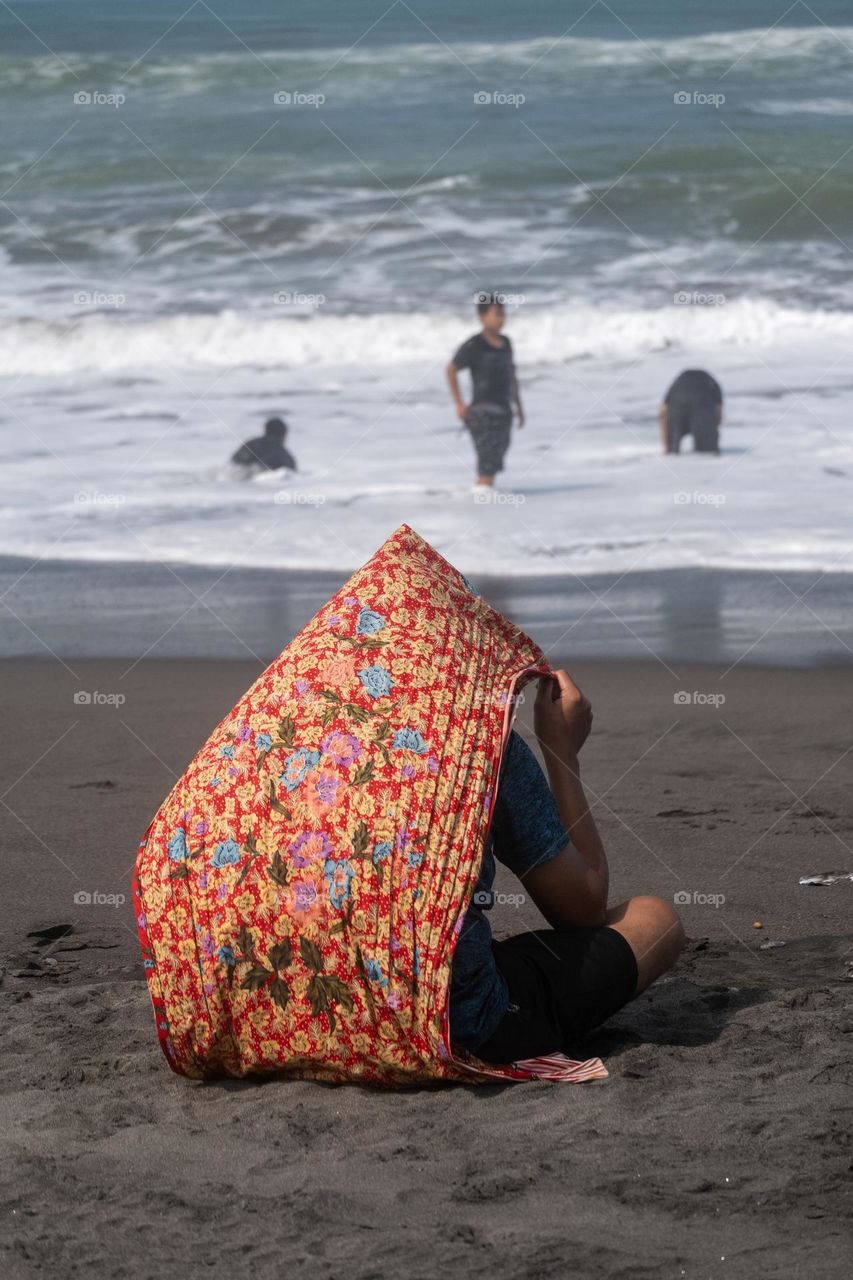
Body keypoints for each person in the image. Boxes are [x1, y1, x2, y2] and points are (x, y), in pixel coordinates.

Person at [450, 669, 685, 1062]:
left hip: (315, 1016)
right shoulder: (480, 734)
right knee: (656, 920)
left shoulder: (309, 703)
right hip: (457, 1023)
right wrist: (562, 752)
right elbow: (583, 908)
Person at [446, 292, 525, 486]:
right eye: (496, 313)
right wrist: (459, 403)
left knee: (496, 462)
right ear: (482, 317)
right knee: (487, 464)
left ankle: (486, 502)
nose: (501, 318)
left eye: (503, 313)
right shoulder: (475, 344)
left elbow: (512, 375)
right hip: (482, 413)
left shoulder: (506, 343)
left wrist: (519, 407)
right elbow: (451, 369)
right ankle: (483, 501)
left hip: (504, 411)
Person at [659, 369, 723, 455]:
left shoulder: (678, 382)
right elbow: (718, 412)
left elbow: (663, 412)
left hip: (678, 401)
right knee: (708, 452)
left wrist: (666, 445)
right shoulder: (711, 383)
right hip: (702, 402)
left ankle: (671, 449)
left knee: (672, 449)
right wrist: (712, 431)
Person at [231, 417, 297, 473]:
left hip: (239, 475)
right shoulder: (283, 453)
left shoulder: (250, 443)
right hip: (264, 479)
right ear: (284, 434)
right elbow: (290, 471)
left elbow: (233, 461)